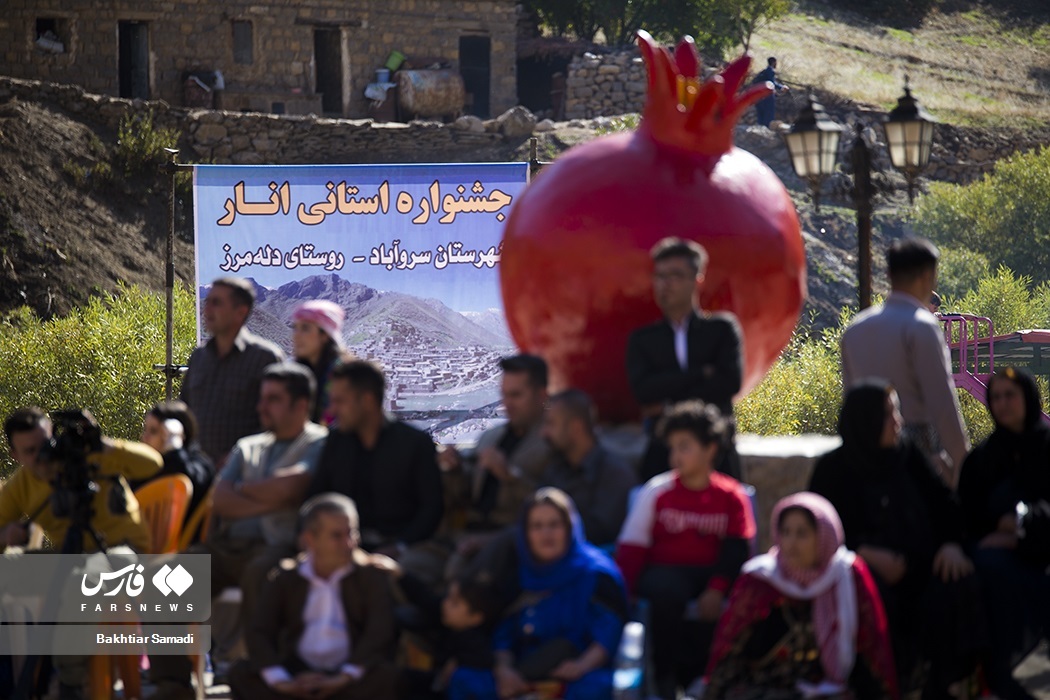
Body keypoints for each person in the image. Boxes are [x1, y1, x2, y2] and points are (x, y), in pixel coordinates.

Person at [149, 363, 327, 700]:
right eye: (262, 399)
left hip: (279, 546)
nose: (261, 407)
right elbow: (221, 500)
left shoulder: (319, 442)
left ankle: (263, 681)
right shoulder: (249, 446)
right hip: (227, 547)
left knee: (265, 572)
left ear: (300, 405)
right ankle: (171, 684)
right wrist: (271, 497)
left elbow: (295, 486)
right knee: (164, 576)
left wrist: (246, 489)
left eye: (273, 400)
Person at [810, 381, 984, 698]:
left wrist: (951, 544)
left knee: (958, 585)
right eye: (890, 414)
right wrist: (863, 552)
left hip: (920, 568)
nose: (898, 423)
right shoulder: (832, 470)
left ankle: (945, 687)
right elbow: (817, 531)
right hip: (859, 573)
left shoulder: (907, 457)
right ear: (868, 420)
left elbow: (945, 504)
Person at [0, 407, 163, 699]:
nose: (42, 457)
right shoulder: (23, 483)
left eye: (46, 445)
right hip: (69, 556)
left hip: (123, 553)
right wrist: (7, 535)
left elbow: (153, 463)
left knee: (83, 580)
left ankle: (71, 684)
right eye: (30, 451)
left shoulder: (90, 455)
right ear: (15, 455)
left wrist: (103, 443)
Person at [616, 401, 755, 699]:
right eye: (673, 447)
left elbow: (737, 551)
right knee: (668, 592)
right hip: (664, 577)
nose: (675, 456)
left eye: (685, 446)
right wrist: (623, 600)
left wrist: (717, 588)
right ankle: (666, 678)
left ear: (710, 449)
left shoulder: (732, 496)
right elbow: (632, 549)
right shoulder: (657, 491)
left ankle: (708, 678)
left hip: (711, 575)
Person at [702, 492, 898, 700]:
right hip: (764, 687)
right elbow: (729, 653)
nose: (790, 543)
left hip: (829, 690)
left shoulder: (846, 576)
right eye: (785, 532)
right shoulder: (761, 579)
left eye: (802, 534)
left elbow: (872, 650)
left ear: (824, 536)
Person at [449, 488, 628, 700]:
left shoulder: (597, 574)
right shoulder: (518, 574)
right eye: (537, 526)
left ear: (570, 527)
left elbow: (609, 632)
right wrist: (504, 671)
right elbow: (503, 634)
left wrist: (580, 666)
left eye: (554, 525)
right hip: (524, 673)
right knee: (464, 680)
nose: (546, 534)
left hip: (577, 674)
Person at [228, 493, 401, 700]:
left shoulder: (369, 575)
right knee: (240, 674)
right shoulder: (287, 577)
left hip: (348, 676)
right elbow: (260, 631)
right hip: (297, 673)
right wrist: (283, 681)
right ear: (310, 539)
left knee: (388, 678)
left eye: (352, 533)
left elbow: (378, 632)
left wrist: (344, 677)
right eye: (337, 536)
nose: (349, 543)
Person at [840, 238, 969, 486]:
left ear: (888, 274)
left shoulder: (855, 329)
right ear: (929, 276)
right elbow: (942, 404)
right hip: (915, 452)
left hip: (862, 452)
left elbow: (849, 401)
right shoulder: (922, 326)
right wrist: (965, 465)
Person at [958, 367, 1050, 700]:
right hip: (996, 565)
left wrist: (1019, 526)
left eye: (1010, 394)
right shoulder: (982, 458)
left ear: (1027, 397)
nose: (1002, 403)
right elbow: (967, 516)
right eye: (995, 397)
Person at [626, 237, 743, 482]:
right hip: (662, 455)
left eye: (675, 275)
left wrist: (668, 396)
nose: (665, 284)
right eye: (660, 276)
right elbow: (643, 391)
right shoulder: (643, 339)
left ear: (697, 280)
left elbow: (729, 382)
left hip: (716, 454)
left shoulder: (721, 329)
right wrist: (701, 373)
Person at [307, 359, 443, 562]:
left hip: (402, 547)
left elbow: (431, 509)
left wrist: (400, 546)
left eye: (340, 402)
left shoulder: (414, 444)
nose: (332, 410)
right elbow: (317, 497)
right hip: (345, 545)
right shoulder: (336, 442)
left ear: (368, 401)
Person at [441, 354, 552, 532]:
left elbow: (557, 505)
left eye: (516, 395)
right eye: (505, 395)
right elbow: (465, 494)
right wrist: (455, 469)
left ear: (541, 395)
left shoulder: (553, 443)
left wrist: (510, 476)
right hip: (467, 534)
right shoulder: (490, 438)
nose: (508, 404)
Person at [181, 276, 284, 466]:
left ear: (240, 312)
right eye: (207, 301)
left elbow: (278, 423)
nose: (207, 308)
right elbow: (184, 412)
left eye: (216, 303)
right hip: (198, 473)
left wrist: (238, 457)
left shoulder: (265, 358)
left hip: (246, 477)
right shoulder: (199, 357)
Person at [540, 389, 635, 547]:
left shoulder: (613, 474)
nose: (544, 432)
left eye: (551, 424)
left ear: (575, 428)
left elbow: (601, 533)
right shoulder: (557, 468)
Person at [136, 400, 215, 532]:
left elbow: (192, 480)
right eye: (146, 430)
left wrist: (173, 446)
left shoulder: (199, 463)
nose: (145, 437)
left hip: (184, 551)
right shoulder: (144, 467)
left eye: (154, 431)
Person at [291, 299, 346, 424]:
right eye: (295, 328)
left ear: (325, 335)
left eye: (305, 328)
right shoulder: (297, 373)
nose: (296, 335)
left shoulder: (343, 376)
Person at [752, 57, 788, 128]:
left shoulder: (764, 72)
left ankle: (760, 127)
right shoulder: (770, 71)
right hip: (767, 96)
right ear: (774, 62)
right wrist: (781, 87)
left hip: (759, 95)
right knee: (768, 112)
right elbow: (771, 83)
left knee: (761, 112)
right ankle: (766, 128)